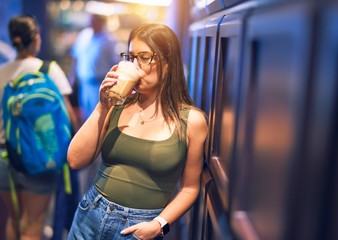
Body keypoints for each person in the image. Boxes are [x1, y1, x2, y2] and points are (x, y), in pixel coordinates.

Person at [67, 23, 208, 239]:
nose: (135, 65)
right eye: (131, 57)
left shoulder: (191, 121)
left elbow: (190, 188)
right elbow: (75, 160)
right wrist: (102, 105)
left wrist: (159, 224)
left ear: (168, 63)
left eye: (144, 57)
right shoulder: (117, 104)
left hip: (138, 228)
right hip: (91, 215)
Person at [0, 15, 80, 240]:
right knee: (33, 224)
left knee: (14, 221)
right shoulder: (49, 70)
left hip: (4, 158)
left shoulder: (2, 72)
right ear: (36, 39)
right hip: (40, 156)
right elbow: (68, 116)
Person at [70, 13, 118, 196]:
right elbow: (75, 62)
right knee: (85, 124)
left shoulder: (109, 40)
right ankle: (86, 154)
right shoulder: (84, 36)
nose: (91, 21)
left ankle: (97, 164)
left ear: (101, 21)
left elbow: (115, 65)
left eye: (94, 18)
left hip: (100, 85)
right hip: (84, 86)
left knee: (100, 124)